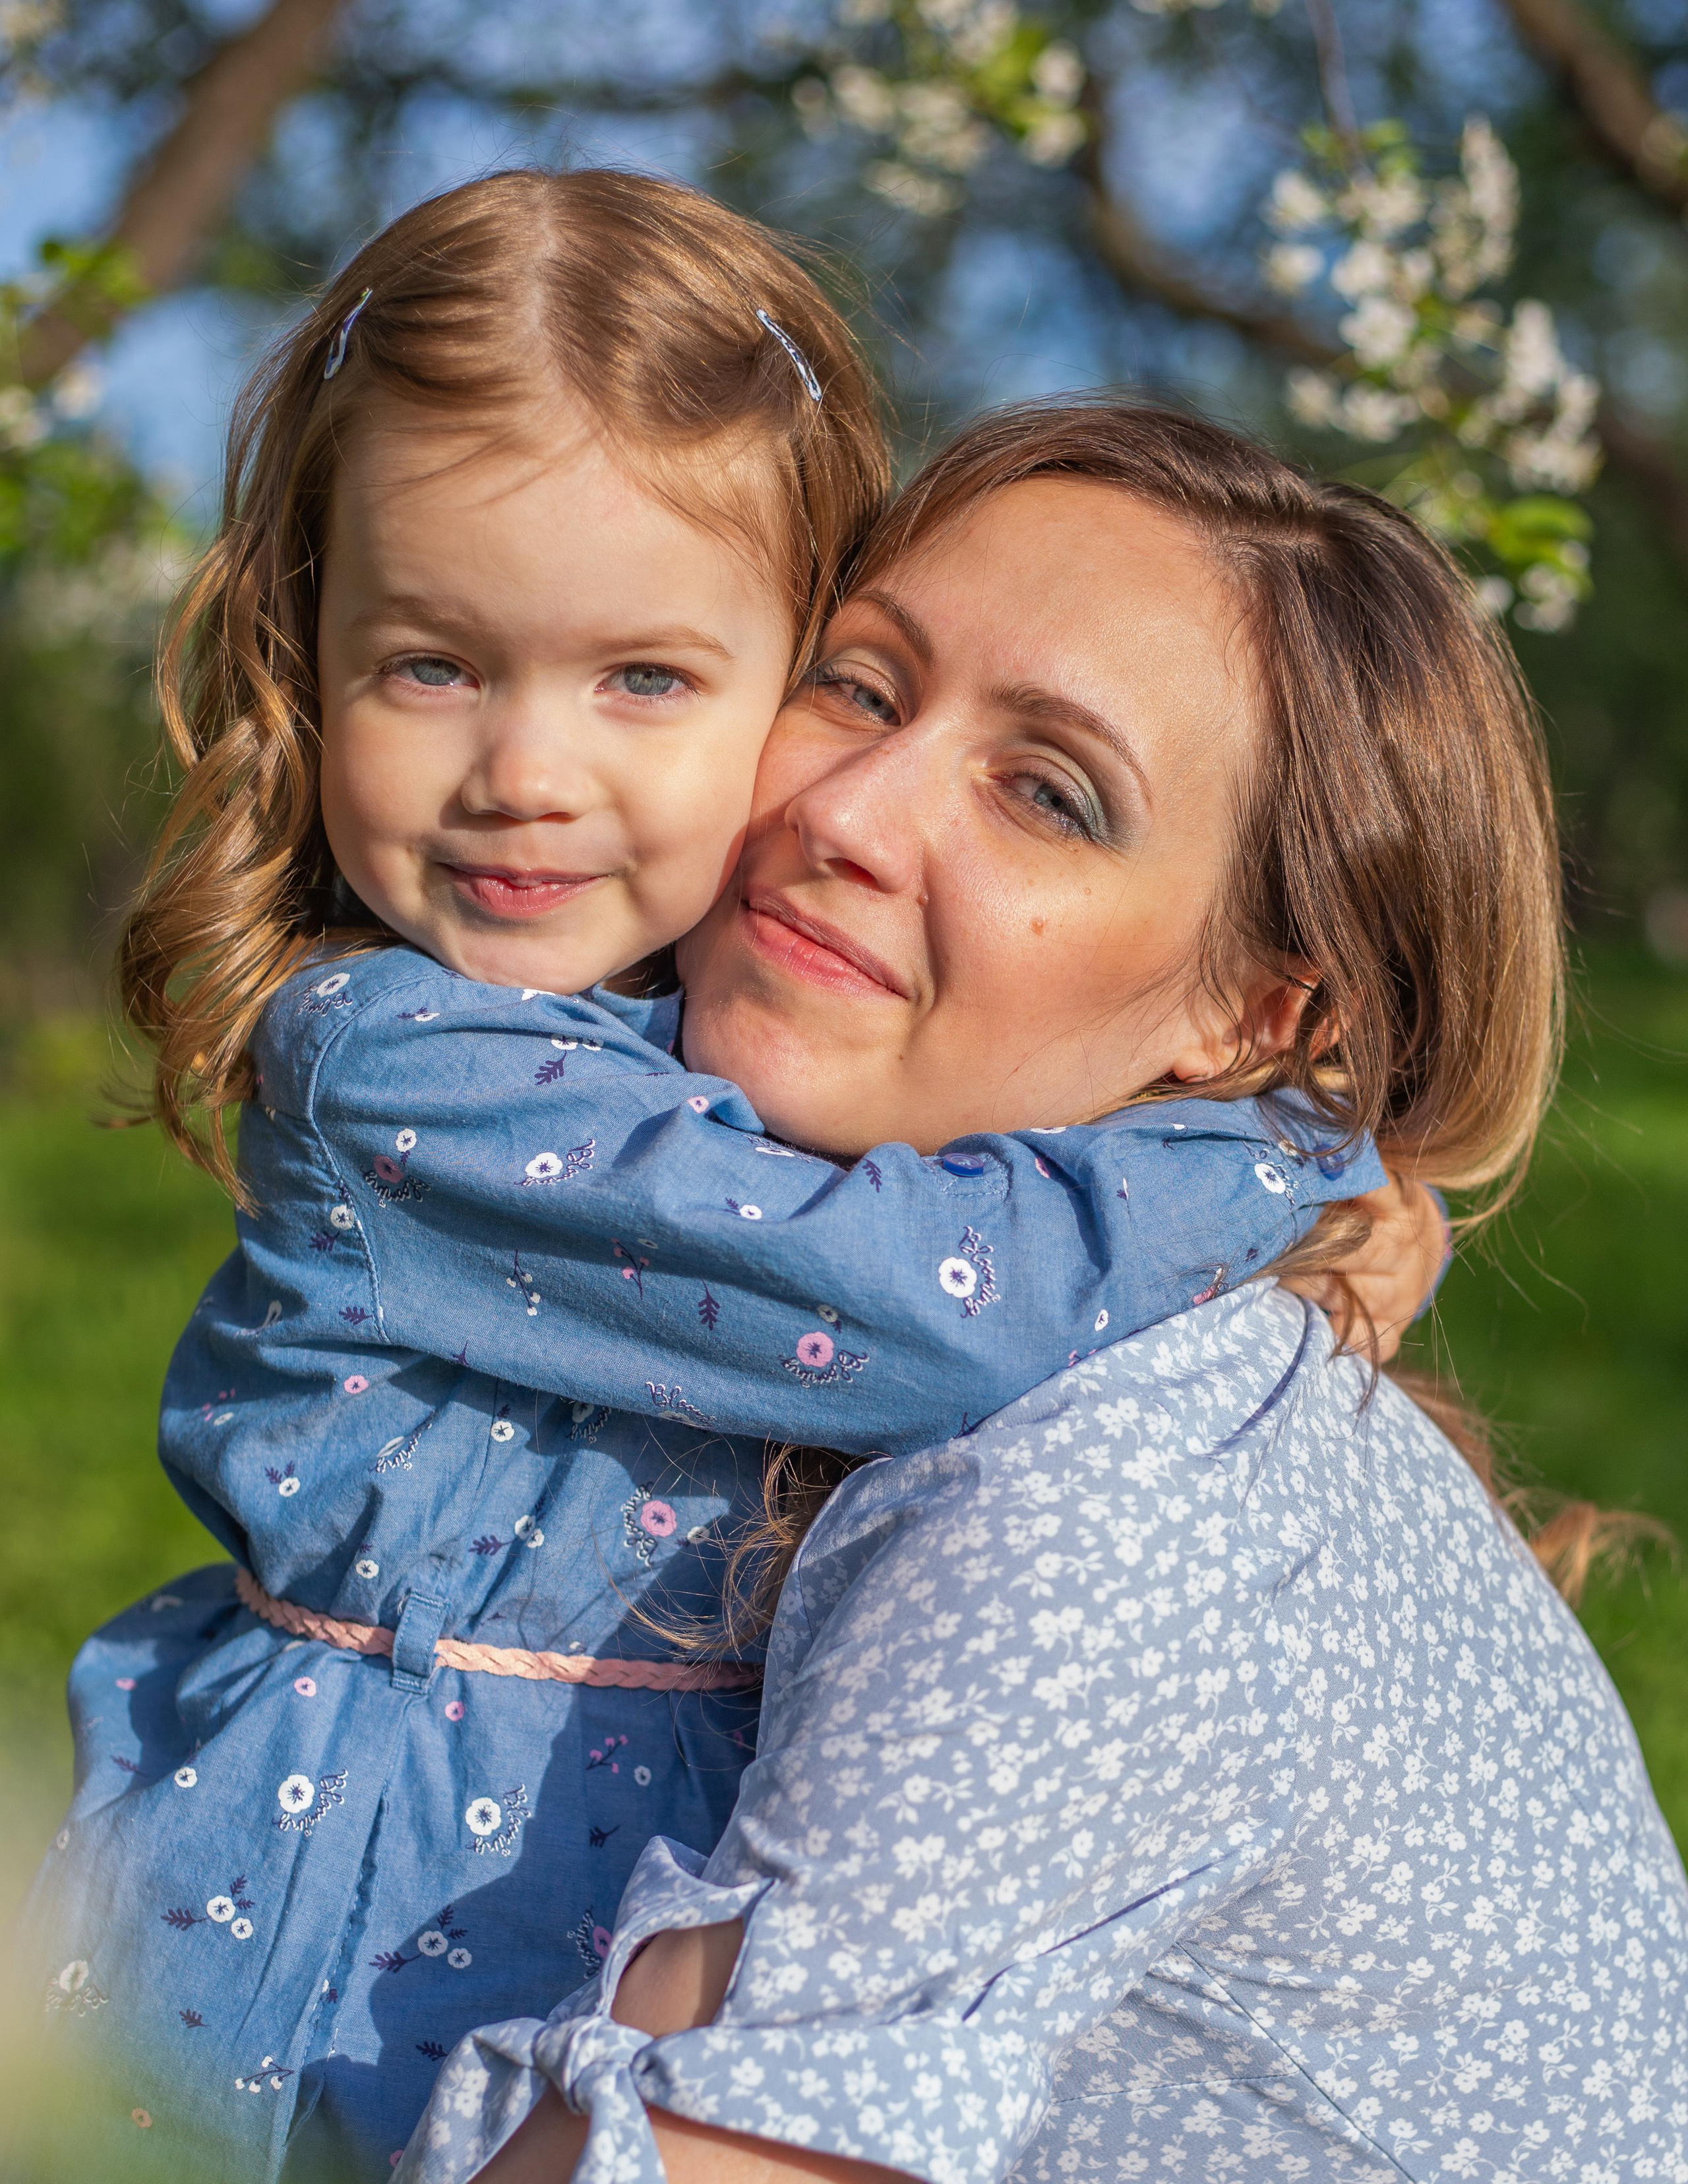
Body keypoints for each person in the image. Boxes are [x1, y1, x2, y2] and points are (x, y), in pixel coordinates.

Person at [11, 174, 1431, 2184]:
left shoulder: (715, 1035)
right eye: (430, 666)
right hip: (313, 1927)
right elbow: (921, 1305)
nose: (526, 768)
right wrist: (1266, 1152)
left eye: (647, 682)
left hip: (572, 1905)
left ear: (786, 677)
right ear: (303, 655)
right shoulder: (408, 1063)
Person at [402, 404, 1688, 2184]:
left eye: (1050, 794)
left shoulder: (1104, 1488)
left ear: (1258, 1017)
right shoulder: (1136, 1379)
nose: (847, 812)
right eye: (857, 686)